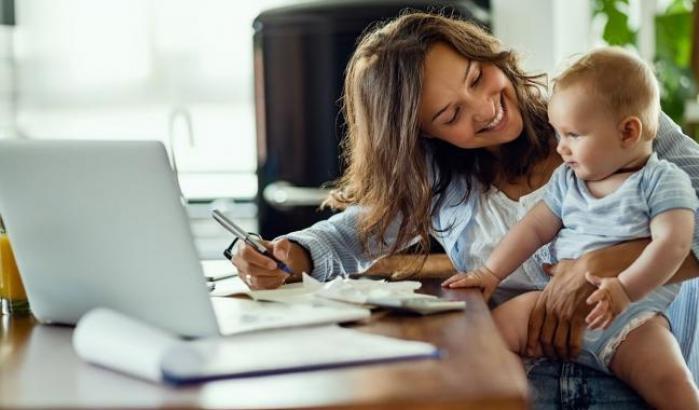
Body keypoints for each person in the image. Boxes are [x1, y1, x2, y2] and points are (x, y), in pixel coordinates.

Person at [231, 12, 699, 408]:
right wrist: (287, 254)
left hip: (637, 374)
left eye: (477, 78)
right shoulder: (439, 179)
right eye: (450, 115)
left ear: (487, 53)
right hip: (523, 381)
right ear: (424, 134)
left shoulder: (601, 115)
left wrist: (599, 263)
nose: (484, 110)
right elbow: (351, 234)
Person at [441, 47, 699, 408]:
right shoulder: (569, 180)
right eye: (558, 134)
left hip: (632, 319)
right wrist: (489, 271)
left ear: (628, 132)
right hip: (550, 306)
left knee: (674, 384)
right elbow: (533, 229)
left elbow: (674, 245)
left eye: (573, 136)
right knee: (486, 338)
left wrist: (622, 288)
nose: (560, 148)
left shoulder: (661, 181)